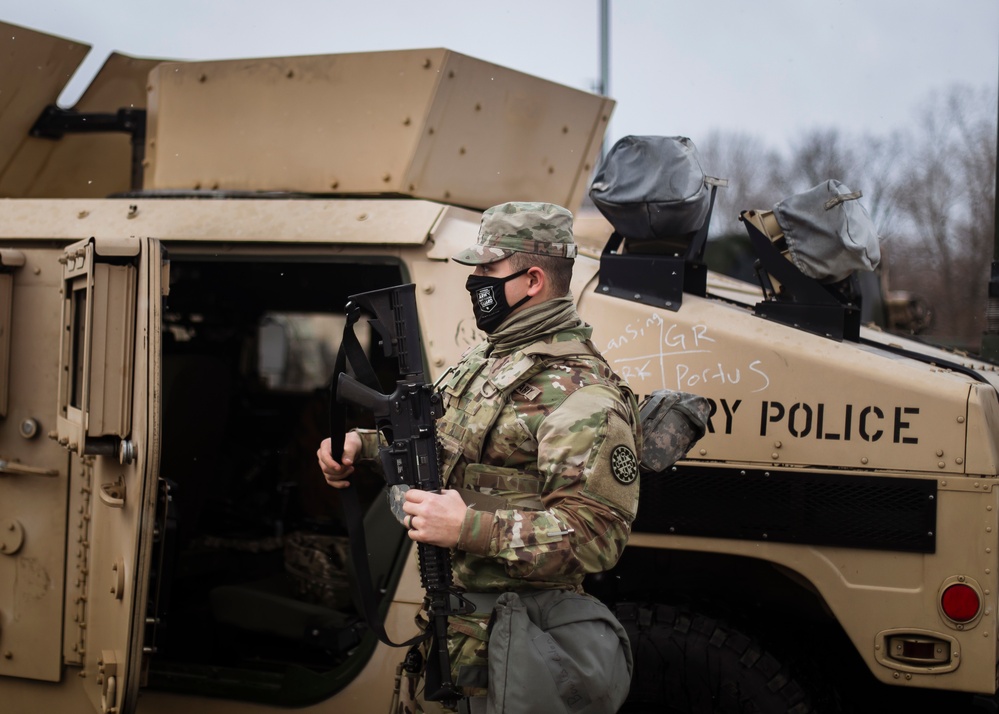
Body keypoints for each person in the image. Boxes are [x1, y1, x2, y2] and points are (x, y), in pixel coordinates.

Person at [317, 201, 642, 713]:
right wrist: (363, 446)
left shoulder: (582, 393)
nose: (475, 281)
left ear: (532, 279)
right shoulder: (490, 358)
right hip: (457, 638)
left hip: (520, 650)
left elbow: (597, 537)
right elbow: (444, 447)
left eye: (487, 269)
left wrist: (469, 527)